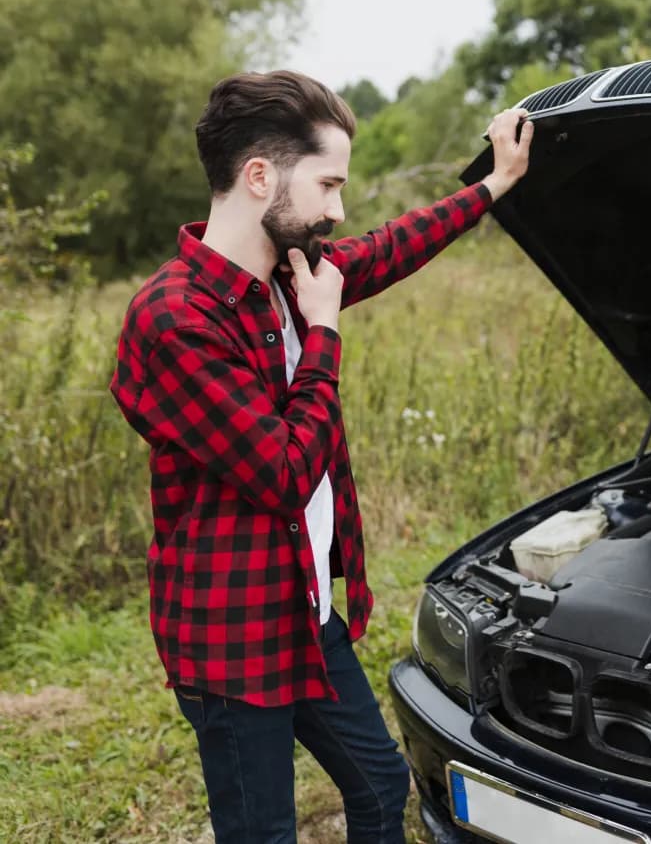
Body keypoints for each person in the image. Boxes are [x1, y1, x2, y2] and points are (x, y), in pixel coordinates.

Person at [108, 69, 532, 843]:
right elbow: (285, 471)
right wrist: (325, 334)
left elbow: (394, 246)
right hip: (232, 640)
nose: (339, 210)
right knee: (262, 833)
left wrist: (496, 184)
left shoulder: (290, 273)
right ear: (259, 175)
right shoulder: (175, 319)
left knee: (377, 785)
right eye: (328, 184)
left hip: (304, 610)